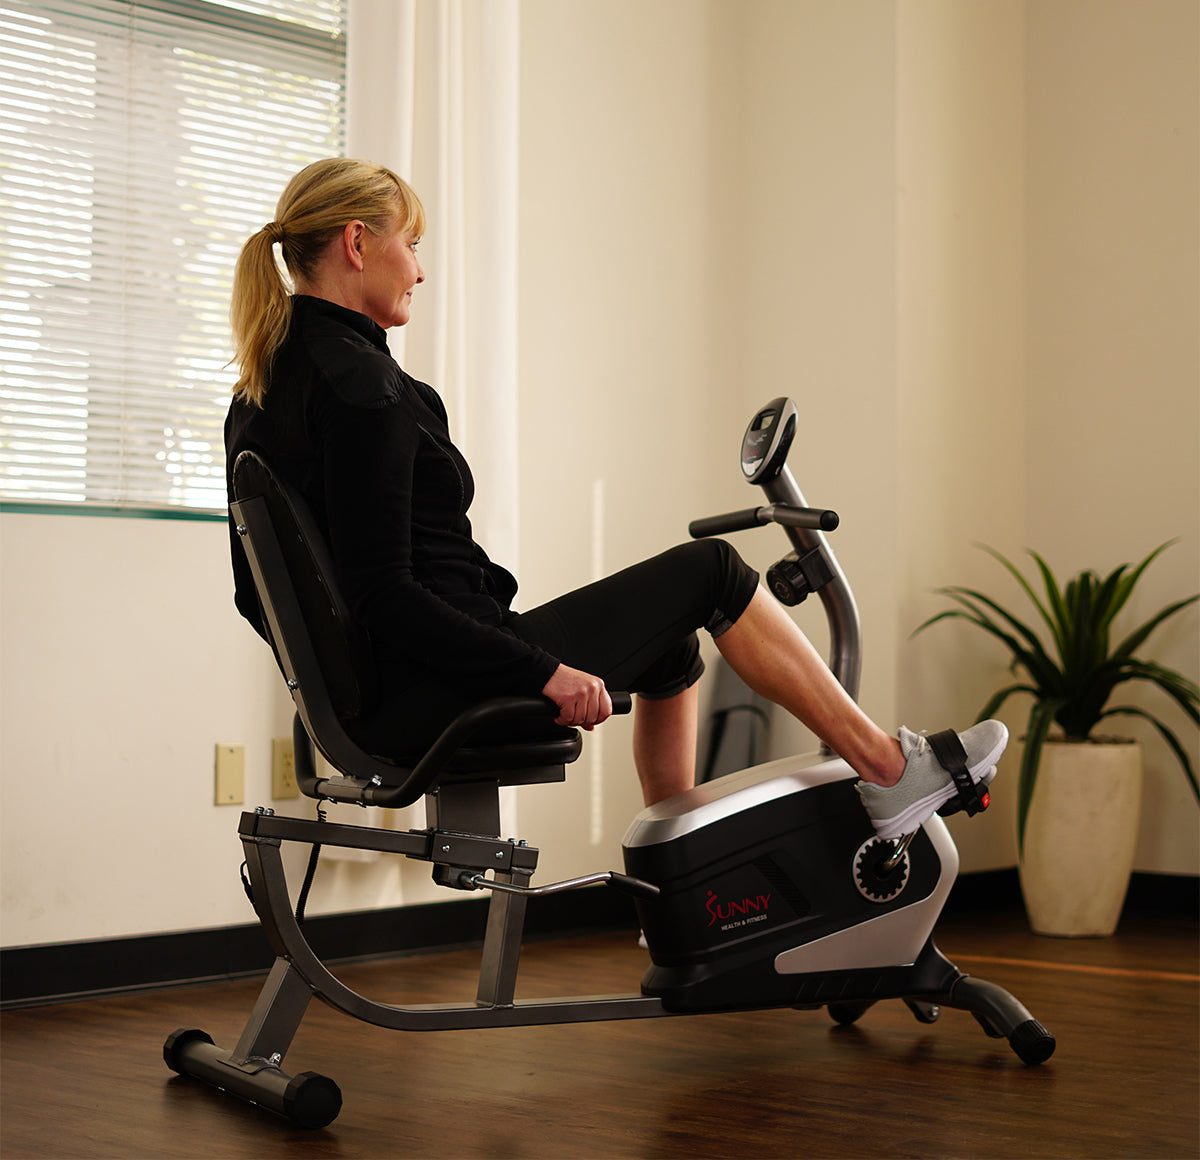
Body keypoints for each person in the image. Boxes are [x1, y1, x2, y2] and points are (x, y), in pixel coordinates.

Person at [224, 158, 1006, 840]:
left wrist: (338, 689)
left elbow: (256, 595)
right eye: (412, 244)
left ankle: (679, 875)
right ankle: (890, 768)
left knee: (672, 647)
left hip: (393, 692)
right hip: (435, 689)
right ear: (358, 243)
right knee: (713, 572)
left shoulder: (261, 392)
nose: (419, 270)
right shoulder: (364, 388)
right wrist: (539, 669)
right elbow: (386, 595)